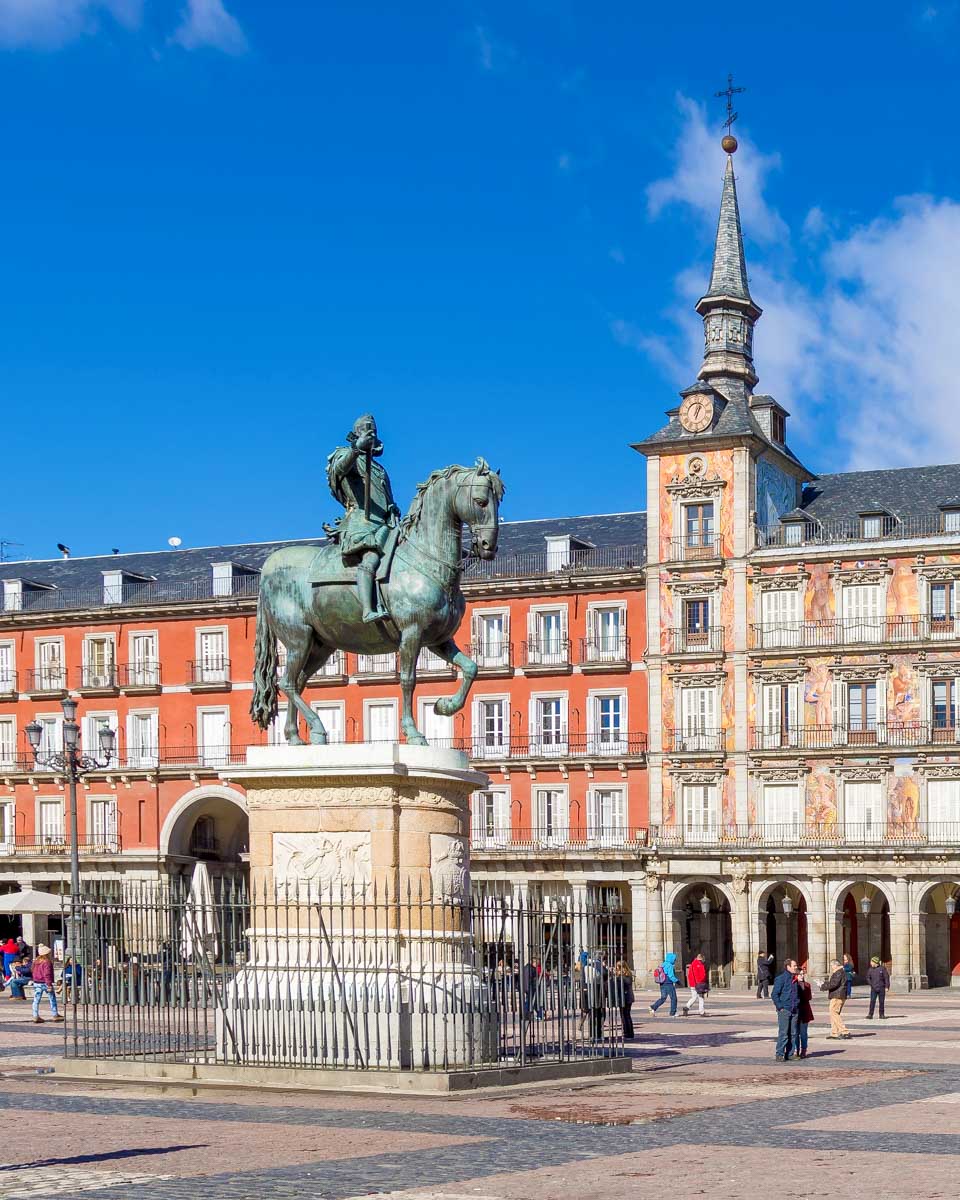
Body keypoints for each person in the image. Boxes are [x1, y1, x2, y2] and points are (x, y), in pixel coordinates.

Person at [325, 414, 401, 624]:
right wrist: (356, 448)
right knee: (371, 558)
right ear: (356, 434)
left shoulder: (379, 469)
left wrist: (392, 509)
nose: (372, 434)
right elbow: (338, 470)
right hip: (361, 521)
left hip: (385, 524)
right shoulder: (346, 455)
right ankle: (368, 609)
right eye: (366, 431)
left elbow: (386, 500)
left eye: (374, 432)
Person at [771, 957, 800, 1061]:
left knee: (793, 1033)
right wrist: (780, 1007)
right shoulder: (781, 978)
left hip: (794, 1009)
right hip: (785, 1009)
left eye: (796, 966)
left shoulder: (795, 978)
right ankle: (779, 1053)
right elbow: (774, 994)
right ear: (788, 967)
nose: (796, 967)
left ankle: (790, 1053)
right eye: (794, 966)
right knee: (783, 1033)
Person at [31, 944, 63, 1024]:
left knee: (36, 1000)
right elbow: (47, 974)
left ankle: (35, 1016)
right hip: (45, 983)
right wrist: (49, 984)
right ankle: (55, 1014)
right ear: (46, 954)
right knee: (52, 998)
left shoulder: (36, 962)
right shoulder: (47, 962)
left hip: (36, 982)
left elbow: (33, 971)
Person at [820, 959, 851, 1039]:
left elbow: (834, 984)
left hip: (837, 995)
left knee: (834, 1013)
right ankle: (835, 1032)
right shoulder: (841, 971)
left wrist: (823, 986)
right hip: (839, 995)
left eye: (831, 966)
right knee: (833, 1013)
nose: (831, 967)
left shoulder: (838, 972)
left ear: (835, 965)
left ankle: (844, 1031)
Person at [649, 951, 680, 1017]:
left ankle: (653, 1007)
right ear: (671, 959)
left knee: (663, 998)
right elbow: (671, 976)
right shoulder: (670, 965)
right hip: (668, 983)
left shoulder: (663, 964)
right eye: (674, 959)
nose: (675, 960)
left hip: (662, 983)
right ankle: (673, 1013)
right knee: (673, 998)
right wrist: (677, 981)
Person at [795, 967, 815, 1059]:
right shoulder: (793, 984)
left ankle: (803, 1050)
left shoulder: (807, 985)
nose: (802, 976)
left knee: (803, 1032)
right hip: (796, 1011)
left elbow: (809, 997)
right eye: (800, 974)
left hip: (805, 1010)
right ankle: (796, 1050)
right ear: (796, 975)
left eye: (803, 974)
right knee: (795, 1032)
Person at [682, 951, 709, 1017]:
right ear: (701, 958)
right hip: (699, 984)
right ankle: (702, 1012)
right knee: (701, 998)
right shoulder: (700, 965)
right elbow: (702, 975)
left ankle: (686, 1007)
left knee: (694, 997)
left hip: (692, 984)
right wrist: (704, 982)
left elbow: (689, 975)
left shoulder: (692, 964)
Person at [614, 960, 635, 1038]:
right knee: (627, 1015)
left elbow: (620, 987)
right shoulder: (628, 975)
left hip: (624, 998)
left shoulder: (622, 977)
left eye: (617, 967)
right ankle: (630, 1032)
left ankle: (627, 1032)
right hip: (629, 997)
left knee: (624, 1015)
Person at [522, 955, 544, 1020]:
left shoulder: (526, 968)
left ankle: (538, 1015)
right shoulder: (531, 969)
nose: (537, 965)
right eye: (537, 963)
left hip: (528, 987)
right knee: (531, 1002)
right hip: (531, 987)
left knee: (531, 1001)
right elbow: (529, 979)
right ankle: (528, 1015)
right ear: (533, 962)